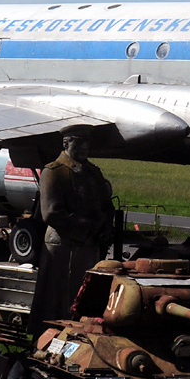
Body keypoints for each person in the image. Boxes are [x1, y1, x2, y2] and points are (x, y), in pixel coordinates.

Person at [29, 127, 113, 331]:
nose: (84, 147)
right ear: (66, 144)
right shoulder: (54, 172)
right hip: (62, 248)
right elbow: (50, 213)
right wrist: (86, 225)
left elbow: (107, 206)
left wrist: (104, 227)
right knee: (56, 301)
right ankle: (48, 337)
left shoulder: (93, 173)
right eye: (78, 142)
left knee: (84, 298)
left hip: (88, 247)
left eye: (87, 142)